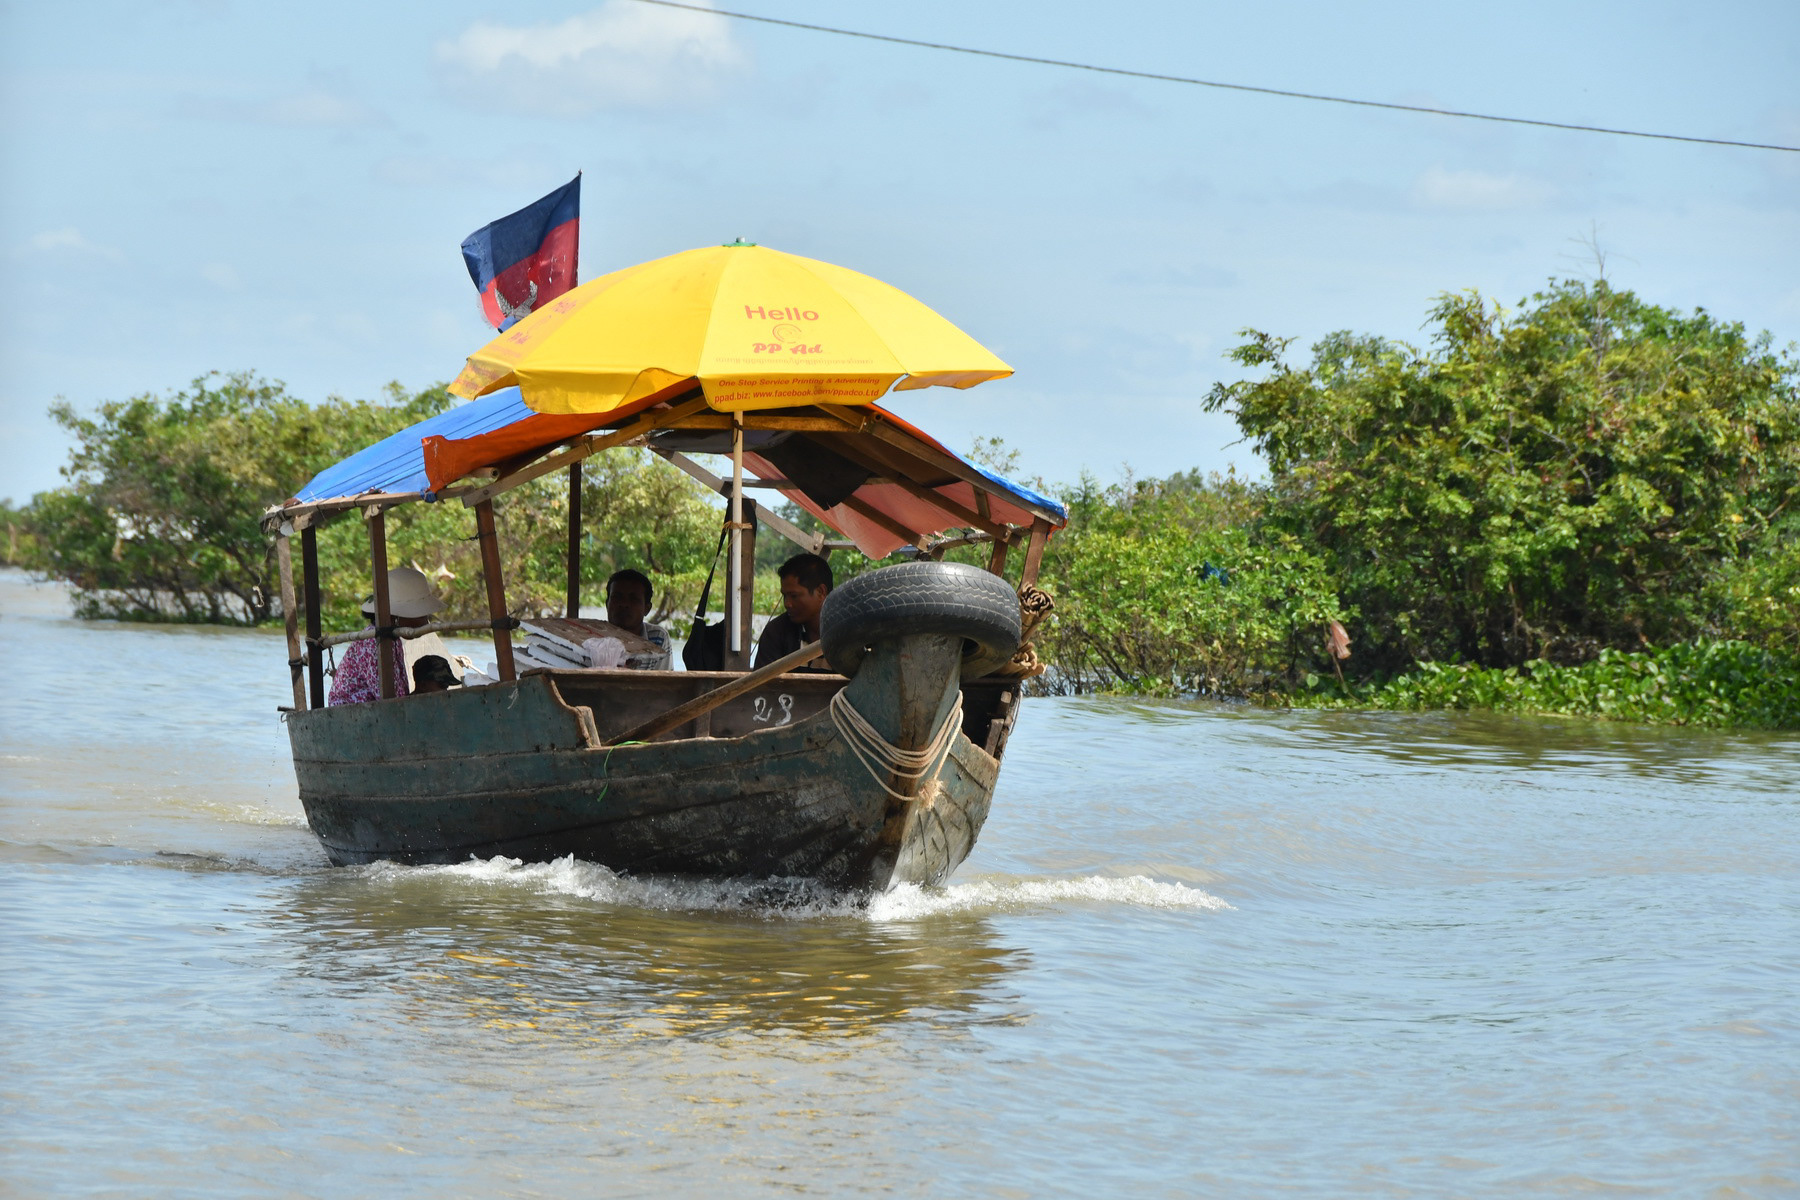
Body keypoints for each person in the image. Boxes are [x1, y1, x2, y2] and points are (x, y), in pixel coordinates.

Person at [328, 567, 445, 705]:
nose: (426, 621)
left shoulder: (392, 639)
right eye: (422, 614)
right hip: (352, 716)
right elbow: (391, 702)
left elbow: (399, 693)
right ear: (395, 616)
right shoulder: (372, 643)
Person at [754, 553, 833, 669]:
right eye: (784, 596)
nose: (787, 604)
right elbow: (763, 686)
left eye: (794, 596)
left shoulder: (851, 632)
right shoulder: (776, 632)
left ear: (821, 592)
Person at [605, 568, 672, 670]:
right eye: (617, 597)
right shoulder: (589, 638)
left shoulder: (658, 639)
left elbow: (662, 683)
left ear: (647, 609)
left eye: (633, 599)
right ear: (607, 604)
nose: (624, 604)